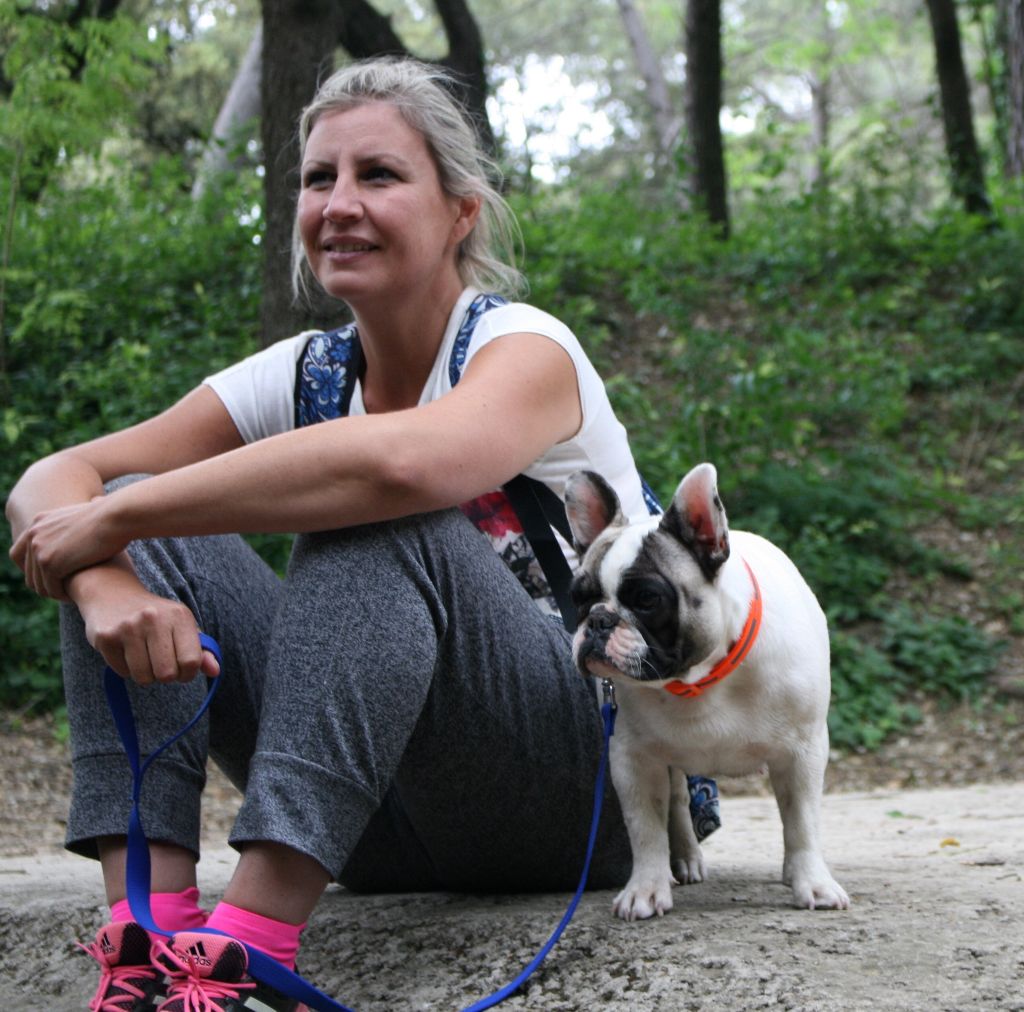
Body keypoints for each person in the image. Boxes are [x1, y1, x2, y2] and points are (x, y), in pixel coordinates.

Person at [7, 57, 656, 1012]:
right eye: (320, 179)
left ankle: (245, 953)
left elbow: (398, 467)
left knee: (369, 503)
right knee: (141, 519)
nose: (339, 203)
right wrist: (110, 581)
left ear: (460, 212)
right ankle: (148, 937)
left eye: (379, 176)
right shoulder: (304, 372)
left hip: (581, 800)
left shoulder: (527, 350)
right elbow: (50, 481)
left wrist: (113, 517)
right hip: (380, 824)